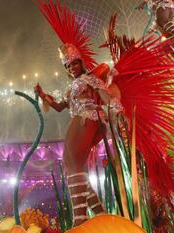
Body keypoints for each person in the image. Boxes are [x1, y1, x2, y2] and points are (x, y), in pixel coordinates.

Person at [35, 44, 116, 226]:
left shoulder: (90, 78)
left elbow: (104, 94)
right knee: (73, 166)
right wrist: (42, 95)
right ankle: (99, 215)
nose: (72, 68)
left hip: (88, 119)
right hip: (79, 119)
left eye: (74, 64)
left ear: (81, 62)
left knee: (71, 162)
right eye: (68, 66)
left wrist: (115, 107)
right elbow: (59, 107)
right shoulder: (70, 87)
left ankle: (80, 221)